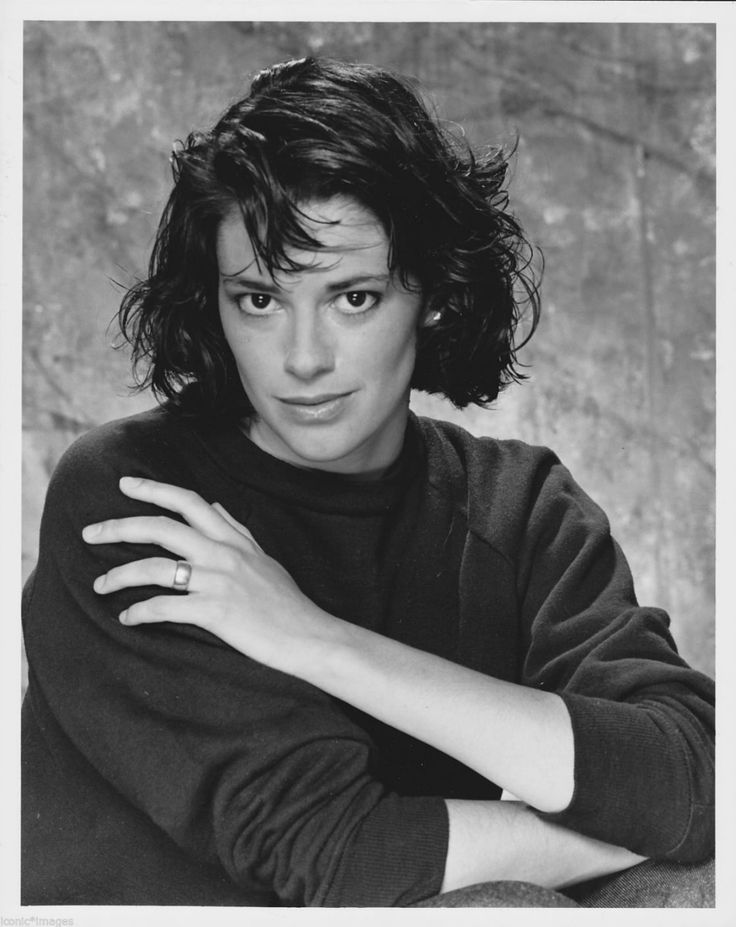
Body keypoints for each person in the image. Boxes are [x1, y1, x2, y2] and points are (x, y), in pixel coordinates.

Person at [21, 56, 715, 908]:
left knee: (688, 890)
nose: (303, 360)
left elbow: (692, 772)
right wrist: (621, 823)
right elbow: (339, 855)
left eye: (352, 297)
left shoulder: (518, 508)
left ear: (431, 295)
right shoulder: (136, 498)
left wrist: (316, 640)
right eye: (260, 301)